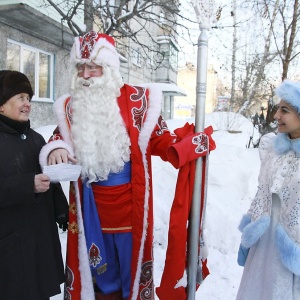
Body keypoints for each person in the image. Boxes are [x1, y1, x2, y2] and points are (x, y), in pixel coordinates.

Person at [39, 31, 215, 300]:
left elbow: (160, 140)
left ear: (108, 68)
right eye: (81, 67)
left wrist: (187, 146)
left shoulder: (140, 100)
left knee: (130, 275)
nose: (85, 75)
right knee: (94, 276)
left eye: (93, 67)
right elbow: (58, 139)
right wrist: (56, 150)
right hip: (89, 208)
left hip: (131, 207)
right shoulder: (70, 107)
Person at [0, 70, 69, 300]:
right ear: (1, 105)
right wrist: (27, 184)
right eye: (20, 97)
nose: (27, 104)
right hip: (9, 246)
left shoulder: (35, 138)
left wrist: (62, 209)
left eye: (28, 98)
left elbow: (47, 177)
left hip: (38, 242)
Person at [236, 79, 300, 299]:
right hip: (264, 242)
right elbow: (262, 192)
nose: (276, 116)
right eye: (278, 109)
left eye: (285, 110)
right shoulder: (273, 149)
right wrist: (250, 228)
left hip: (293, 248)